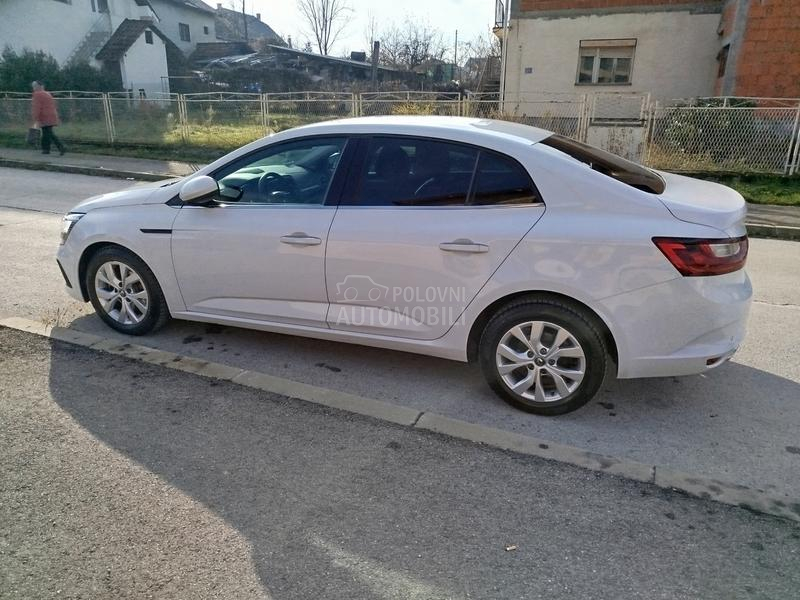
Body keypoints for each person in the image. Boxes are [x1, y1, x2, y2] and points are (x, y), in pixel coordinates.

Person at [31, 81, 65, 155]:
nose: (33, 88)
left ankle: (60, 147)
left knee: (48, 133)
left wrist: (35, 117)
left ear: (39, 86)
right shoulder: (48, 93)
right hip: (51, 115)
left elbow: (37, 107)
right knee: (46, 133)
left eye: (34, 86)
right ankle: (46, 149)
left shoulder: (37, 94)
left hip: (44, 116)